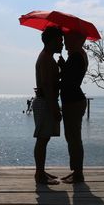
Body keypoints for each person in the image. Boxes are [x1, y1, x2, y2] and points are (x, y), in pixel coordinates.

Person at [32, 26, 64, 185]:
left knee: (44, 138)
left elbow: (51, 82)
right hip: (45, 101)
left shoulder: (48, 57)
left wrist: (61, 69)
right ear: (51, 41)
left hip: (46, 100)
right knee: (42, 139)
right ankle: (39, 175)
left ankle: (41, 171)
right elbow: (46, 85)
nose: (62, 44)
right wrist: (54, 107)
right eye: (60, 40)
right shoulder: (45, 58)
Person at [58, 31, 88, 184]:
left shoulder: (76, 56)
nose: (64, 42)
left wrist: (62, 69)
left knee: (74, 138)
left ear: (75, 40)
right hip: (73, 101)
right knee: (72, 137)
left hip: (73, 102)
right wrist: (64, 67)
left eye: (67, 38)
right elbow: (70, 77)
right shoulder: (77, 55)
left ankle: (78, 174)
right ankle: (76, 171)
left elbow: (70, 81)